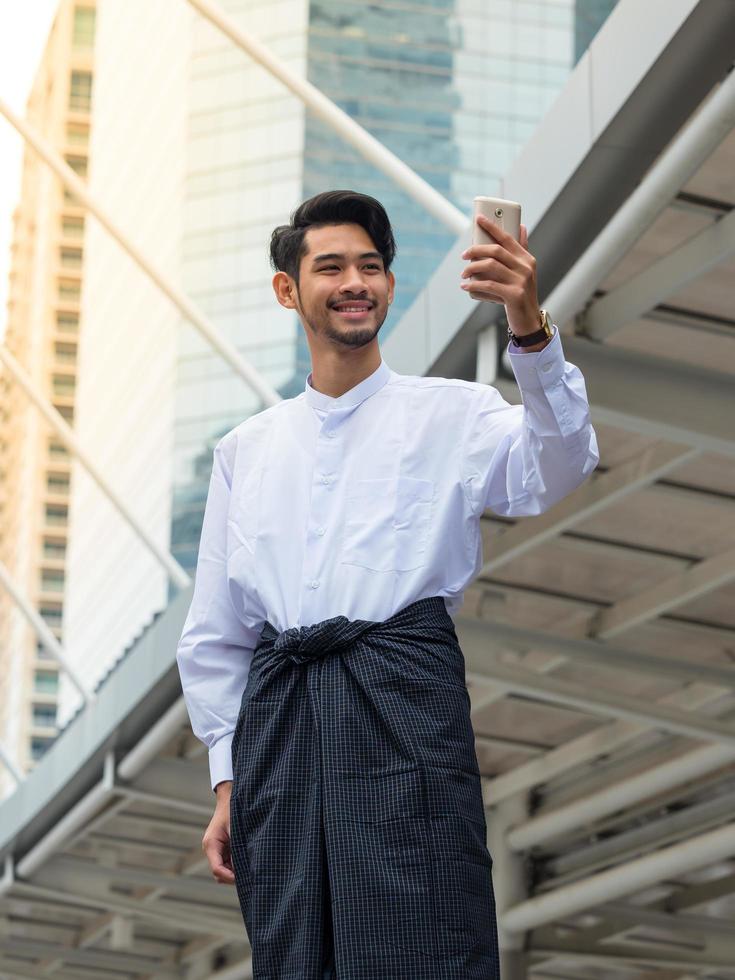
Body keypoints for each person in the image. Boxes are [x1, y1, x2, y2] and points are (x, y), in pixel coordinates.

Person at [176, 189, 599, 979]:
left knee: (427, 930)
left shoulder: (456, 413)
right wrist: (228, 779)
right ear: (287, 289)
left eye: (371, 267)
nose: (354, 283)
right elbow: (216, 634)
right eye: (329, 266)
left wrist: (528, 328)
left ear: (390, 286)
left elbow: (561, 463)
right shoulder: (247, 450)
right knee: (295, 946)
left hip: (403, 695)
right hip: (281, 723)